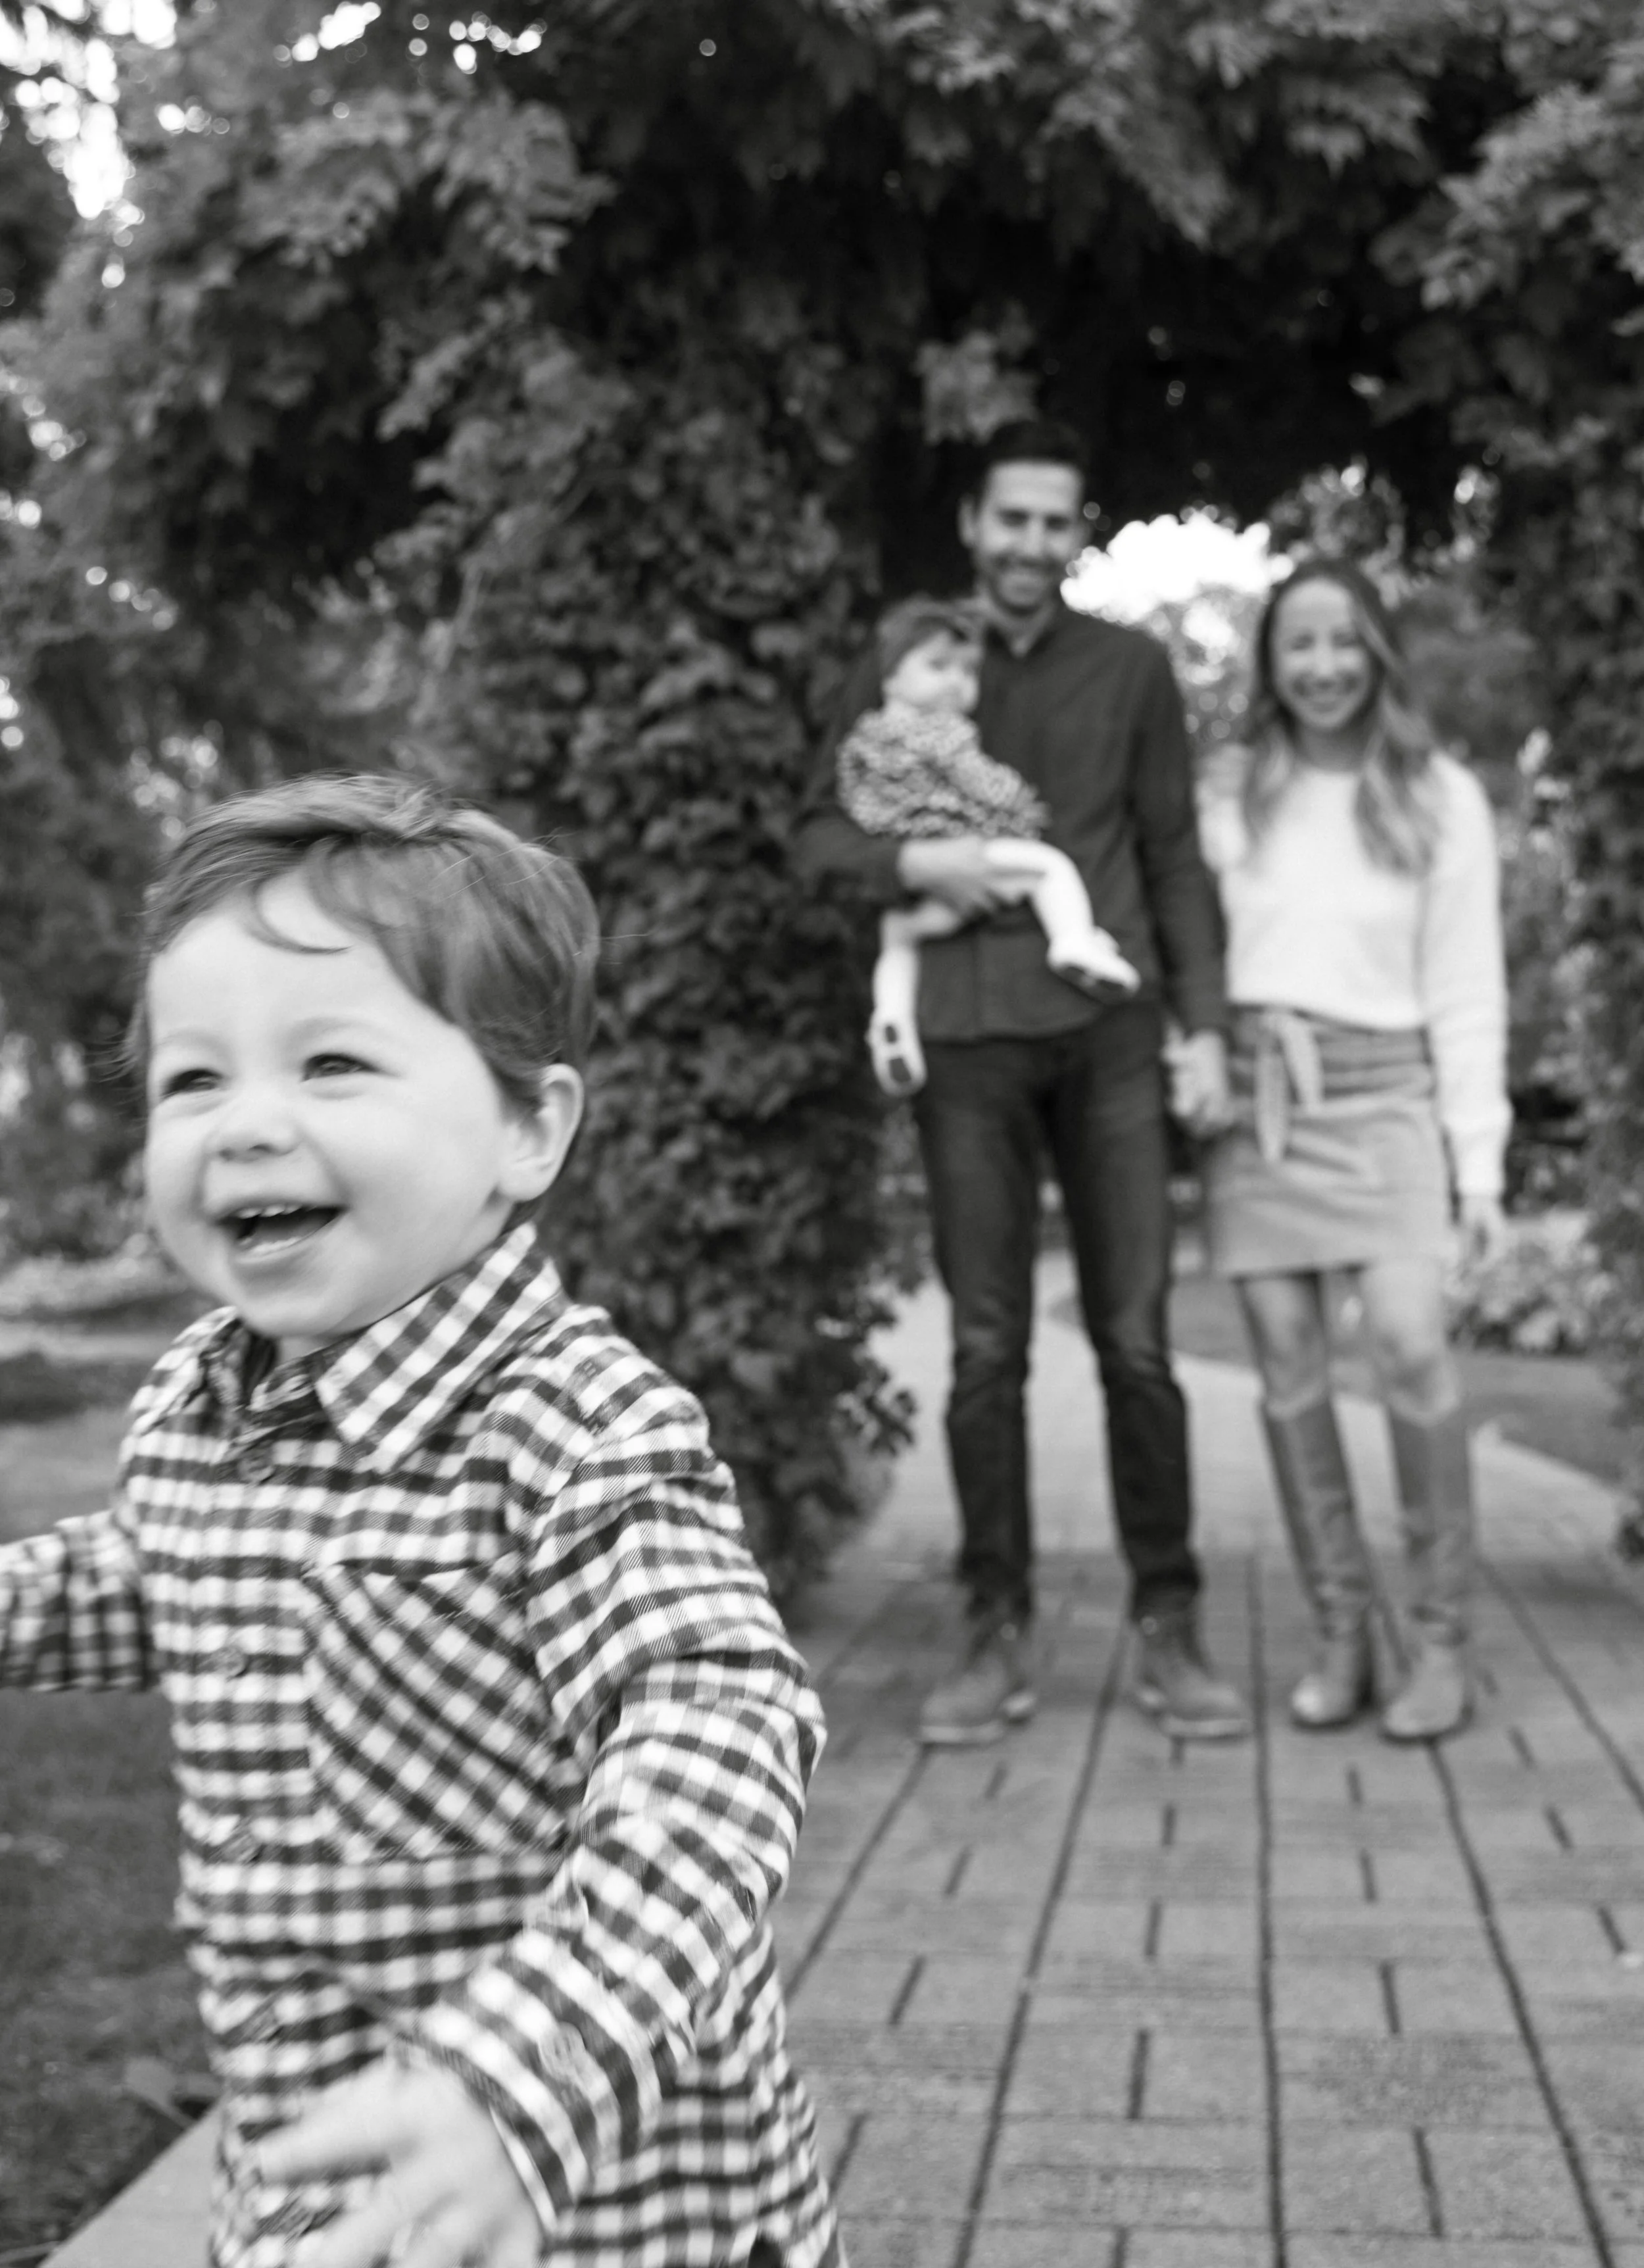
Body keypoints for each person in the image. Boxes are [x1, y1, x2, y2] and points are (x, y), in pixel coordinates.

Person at [0, 777, 841, 2268]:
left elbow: (717, 1725)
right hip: (313, 2167)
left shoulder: (576, 1427)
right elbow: (164, 1575)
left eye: (331, 1063)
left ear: (531, 1126)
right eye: (194, 1082)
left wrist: (524, 2061)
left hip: (590, 2193)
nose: (249, 1125)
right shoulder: (202, 1401)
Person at [796, 418, 1248, 1749]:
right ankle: (988, 1626)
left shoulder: (1130, 670)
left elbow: (1171, 854)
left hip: (1108, 1032)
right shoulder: (908, 659)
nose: (1029, 545)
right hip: (965, 1038)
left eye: (1055, 522)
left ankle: (1167, 1619)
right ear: (974, 526)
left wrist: (1205, 1025)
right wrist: (907, 870)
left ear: (1080, 530)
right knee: (985, 1346)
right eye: (1010, 520)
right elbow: (817, 831)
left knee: (1136, 1336)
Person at [1196, 557, 1510, 1742]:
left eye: (1342, 641)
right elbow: (1196, 944)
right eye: (1297, 645)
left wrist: (1476, 1158)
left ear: (1376, 649)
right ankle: (1343, 1630)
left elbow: (1469, 988)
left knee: (1412, 1349)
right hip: (1261, 1098)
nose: (1321, 665)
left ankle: (1440, 1640)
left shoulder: (1440, 794)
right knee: (1285, 1365)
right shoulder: (1233, 790)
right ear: (1271, 663)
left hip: (1388, 1096)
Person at [836, 593, 1140, 1095]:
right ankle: (1074, 943)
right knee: (1050, 868)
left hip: (908, 875)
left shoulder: (863, 740)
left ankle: (892, 1023)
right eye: (938, 666)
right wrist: (1021, 809)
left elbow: (851, 800)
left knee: (899, 939)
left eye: (968, 671)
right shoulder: (943, 734)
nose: (957, 682)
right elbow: (981, 784)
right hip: (966, 851)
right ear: (889, 676)